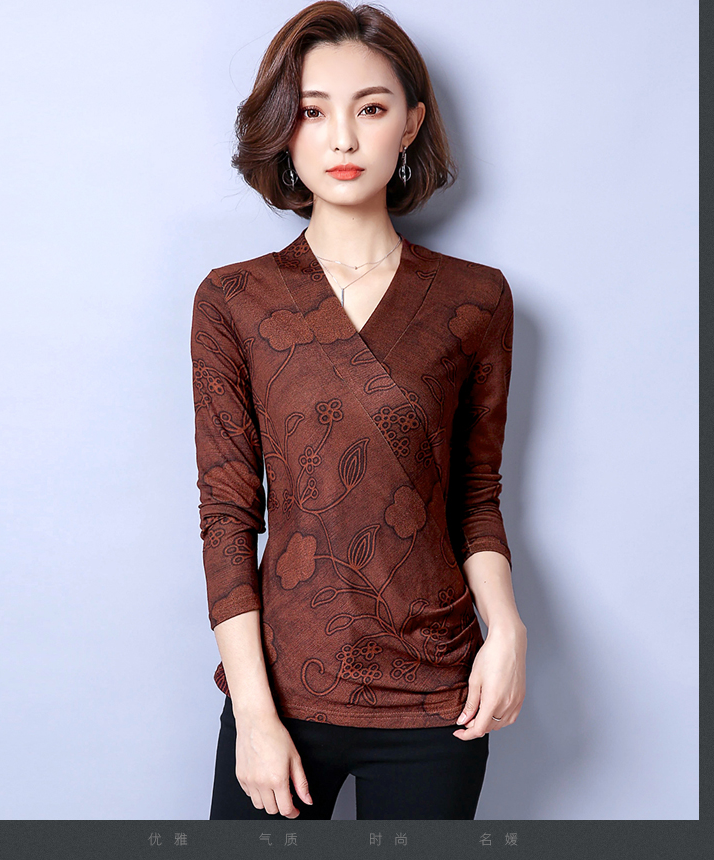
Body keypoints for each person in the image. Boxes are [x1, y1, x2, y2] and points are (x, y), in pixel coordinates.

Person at [191, 1, 527, 821]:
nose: (342, 139)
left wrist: (509, 631)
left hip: (438, 695)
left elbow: (474, 498)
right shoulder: (233, 300)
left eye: (370, 109)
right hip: (283, 692)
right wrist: (255, 716)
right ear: (283, 129)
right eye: (312, 112)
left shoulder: (476, 300)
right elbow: (227, 517)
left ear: (410, 124)